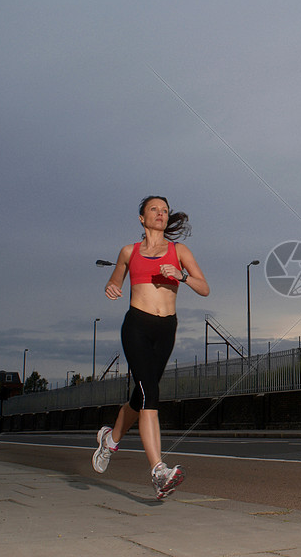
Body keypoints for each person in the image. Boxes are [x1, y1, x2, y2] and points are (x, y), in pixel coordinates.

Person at [92, 195, 209, 500]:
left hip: (166, 329)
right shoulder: (129, 252)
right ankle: (159, 471)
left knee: (140, 396)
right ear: (142, 218)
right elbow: (115, 279)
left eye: (165, 211)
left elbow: (204, 288)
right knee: (150, 394)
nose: (161, 214)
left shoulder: (178, 251)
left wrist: (181, 275)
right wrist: (112, 286)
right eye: (154, 210)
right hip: (137, 326)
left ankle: (111, 438)